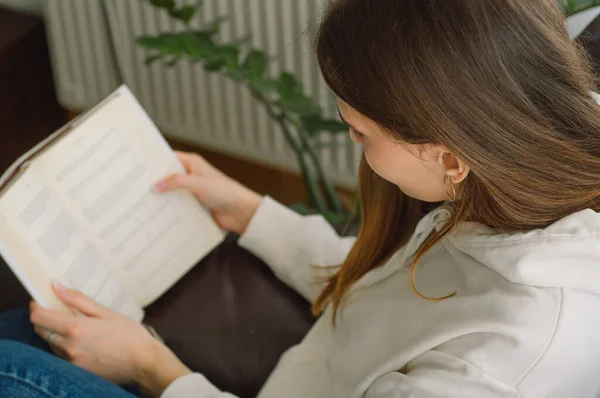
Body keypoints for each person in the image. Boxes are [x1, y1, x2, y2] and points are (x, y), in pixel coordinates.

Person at [2, 0, 600, 396]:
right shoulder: (525, 181)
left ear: (448, 158)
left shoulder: (499, 362)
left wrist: (152, 369)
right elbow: (388, 298)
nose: (348, 139)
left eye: (360, 132)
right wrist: (250, 210)